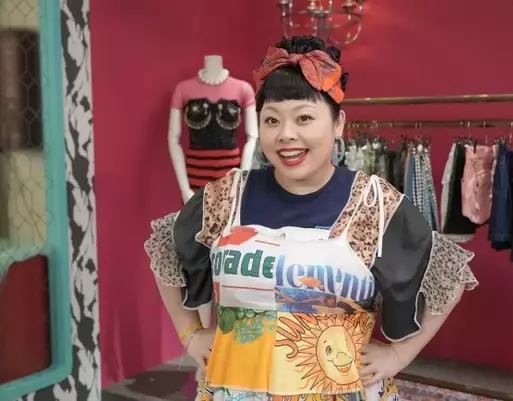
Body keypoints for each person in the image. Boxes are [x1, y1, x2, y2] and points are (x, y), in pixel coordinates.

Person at [144, 35, 478, 401]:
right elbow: (166, 247)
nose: (286, 135)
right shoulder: (227, 196)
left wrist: (399, 354)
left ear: (338, 123)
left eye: (304, 118)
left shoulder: (373, 203)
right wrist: (190, 334)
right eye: (272, 120)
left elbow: (449, 272)